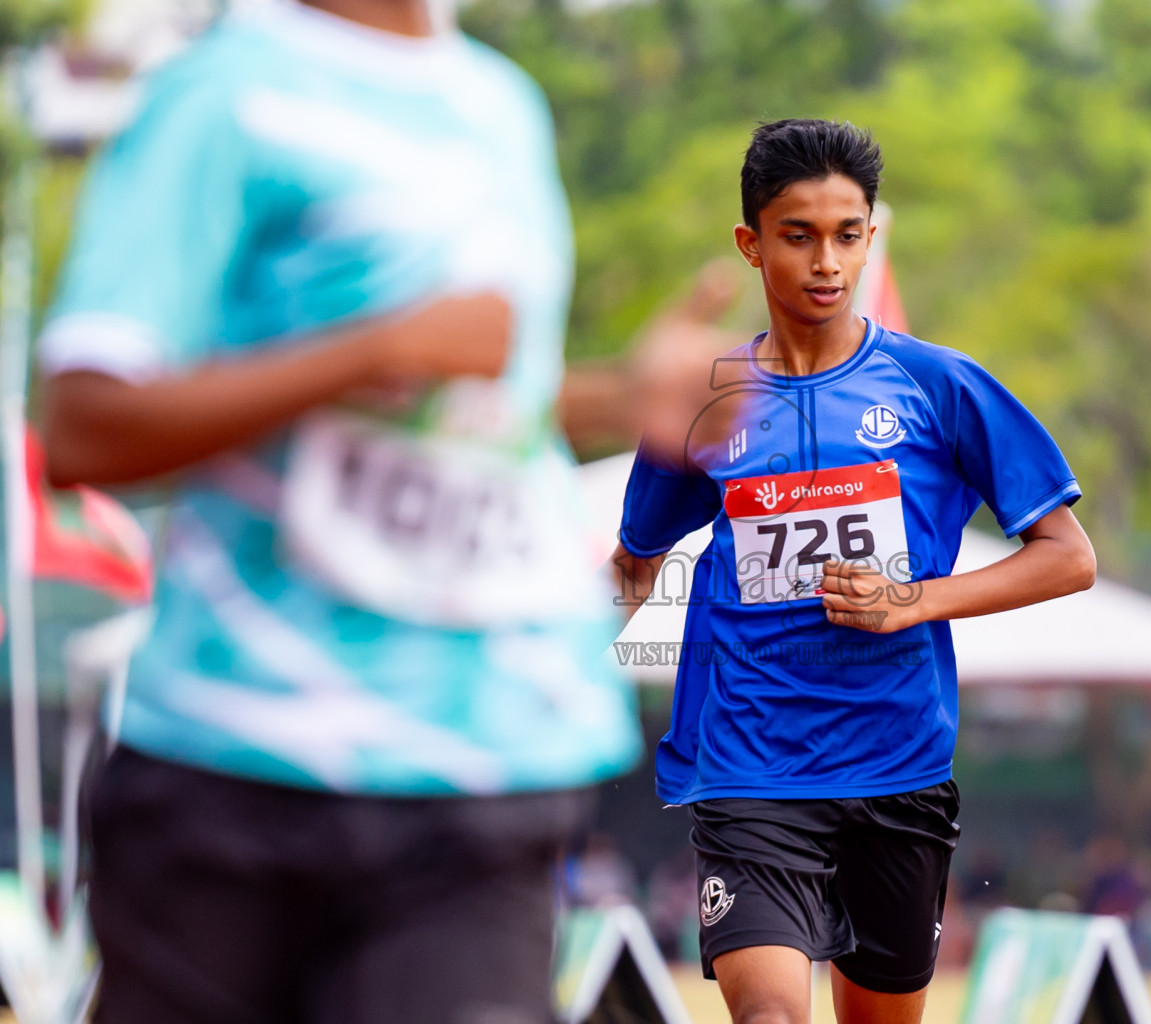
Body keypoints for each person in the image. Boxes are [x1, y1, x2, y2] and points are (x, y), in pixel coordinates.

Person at [38, 0, 719, 1020]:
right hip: (241, 765)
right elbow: (86, 425)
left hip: (488, 762)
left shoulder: (501, 104)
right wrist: (365, 350)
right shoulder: (222, 95)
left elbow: (475, 402)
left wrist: (627, 396)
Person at [611, 119, 1097, 1024]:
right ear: (751, 245)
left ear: (873, 236)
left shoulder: (940, 386)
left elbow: (1068, 559)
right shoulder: (705, 400)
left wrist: (910, 600)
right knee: (771, 1017)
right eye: (798, 236)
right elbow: (634, 562)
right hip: (747, 766)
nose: (826, 261)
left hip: (897, 764)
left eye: (847, 234)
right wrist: (611, 651)